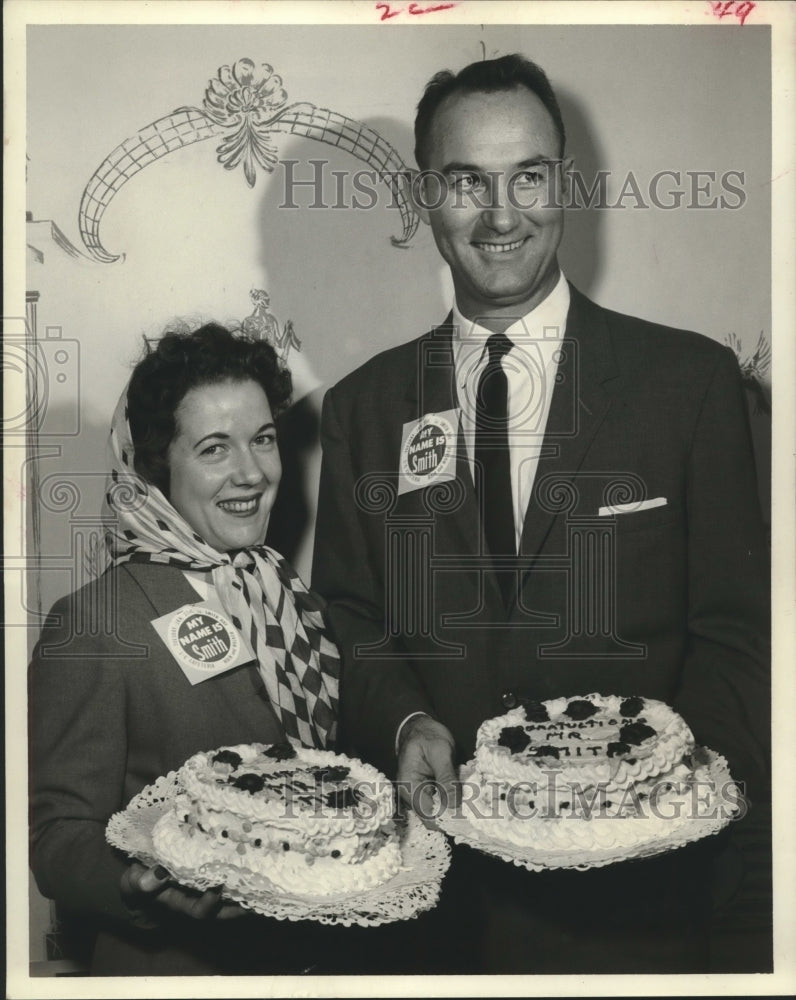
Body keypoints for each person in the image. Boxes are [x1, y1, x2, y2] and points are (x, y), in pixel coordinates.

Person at [311, 55, 771, 973]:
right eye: (466, 182)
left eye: (529, 175)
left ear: (566, 182)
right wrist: (404, 724)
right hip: (437, 919)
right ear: (422, 196)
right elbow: (350, 621)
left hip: (640, 913)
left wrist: (645, 795)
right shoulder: (362, 408)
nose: (502, 214)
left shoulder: (689, 385)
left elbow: (738, 636)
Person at [28, 324, 342, 976]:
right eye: (213, 449)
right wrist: (136, 879)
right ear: (157, 466)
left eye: (262, 439)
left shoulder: (289, 596)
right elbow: (56, 835)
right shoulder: (95, 622)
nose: (251, 472)